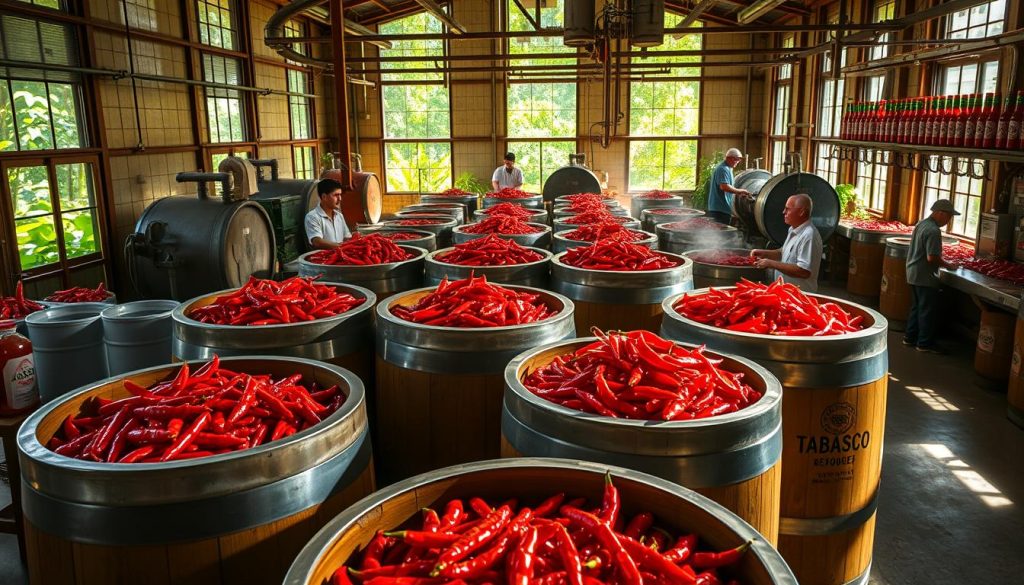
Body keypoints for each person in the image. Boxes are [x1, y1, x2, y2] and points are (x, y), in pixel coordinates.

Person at [903, 199, 959, 354]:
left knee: (916, 307)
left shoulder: (921, 224)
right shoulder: (933, 231)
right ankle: (924, 343)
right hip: (925, 276)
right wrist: (949, 265)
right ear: (940, 213)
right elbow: (932, 258)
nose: (948, 221)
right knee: (927, 310)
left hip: (913, 272)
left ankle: (910, 338)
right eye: (949, 217)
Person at [750, 193, 823, 291]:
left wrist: (771, 263)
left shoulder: (809, 235)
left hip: (800, 296)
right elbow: (783, 252)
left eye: (788, 209)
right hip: (787, 293)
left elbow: (803, 271)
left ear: (801, 212)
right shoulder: (793, 229)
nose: (784, 212)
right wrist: (764, 253)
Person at [304, 178, 352, 250]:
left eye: (340, 195)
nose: (340, 199)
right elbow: (317, 241)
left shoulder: (339, 216)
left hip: (341, 256)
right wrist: (341, 247)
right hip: (324, 259)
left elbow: (347, 237)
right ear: (324, 197)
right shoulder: (312, 217)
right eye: (336, 195)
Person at [706, 147, 750, 224]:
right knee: (720, 234)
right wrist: (740, 191)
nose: (738, 162)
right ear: (730, 158)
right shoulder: (723, 169)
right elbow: (724, 187)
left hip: (723, 209)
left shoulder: (728, 168)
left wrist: (738, 194)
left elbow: (728, 189)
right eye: (737, 159)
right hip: (719, 210)